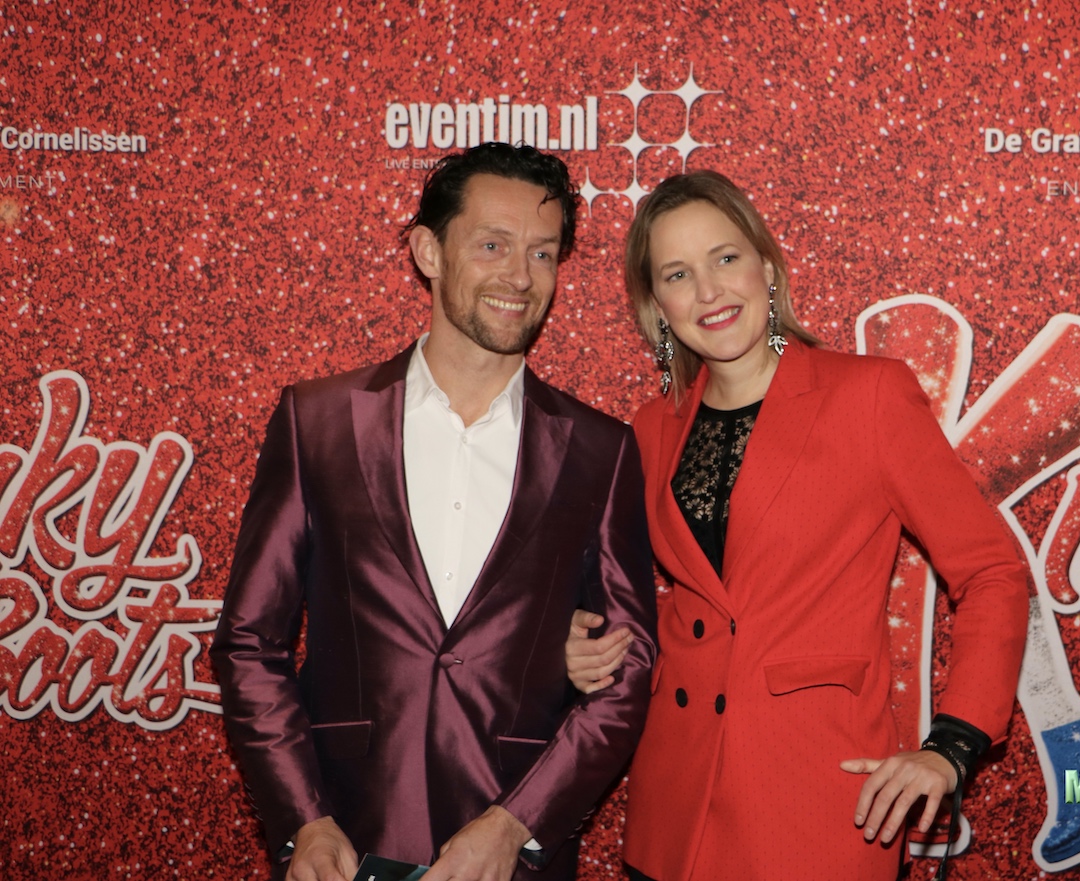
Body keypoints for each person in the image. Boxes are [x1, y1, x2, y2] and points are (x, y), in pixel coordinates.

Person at [211, 142, 658, 881]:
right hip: (343, 843)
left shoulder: (599, 450)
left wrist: (518, 824)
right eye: (492, 245)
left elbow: (628, 665)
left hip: (512, 854)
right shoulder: (317, 422)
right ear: (428, 251)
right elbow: (250, 643)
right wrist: (303, 820)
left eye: (542, 253)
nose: (520, 276)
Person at [566, 170, 1029, 880]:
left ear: (767, 266)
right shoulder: (652, 428)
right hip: (675, 805)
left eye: (725, 258)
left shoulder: (867, 395)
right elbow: (660, 602)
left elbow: (991, 570)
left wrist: (955, 742)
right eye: (678, 274)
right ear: (657, 306)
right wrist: (586, 644)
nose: (709, 291)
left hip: (817, 796)